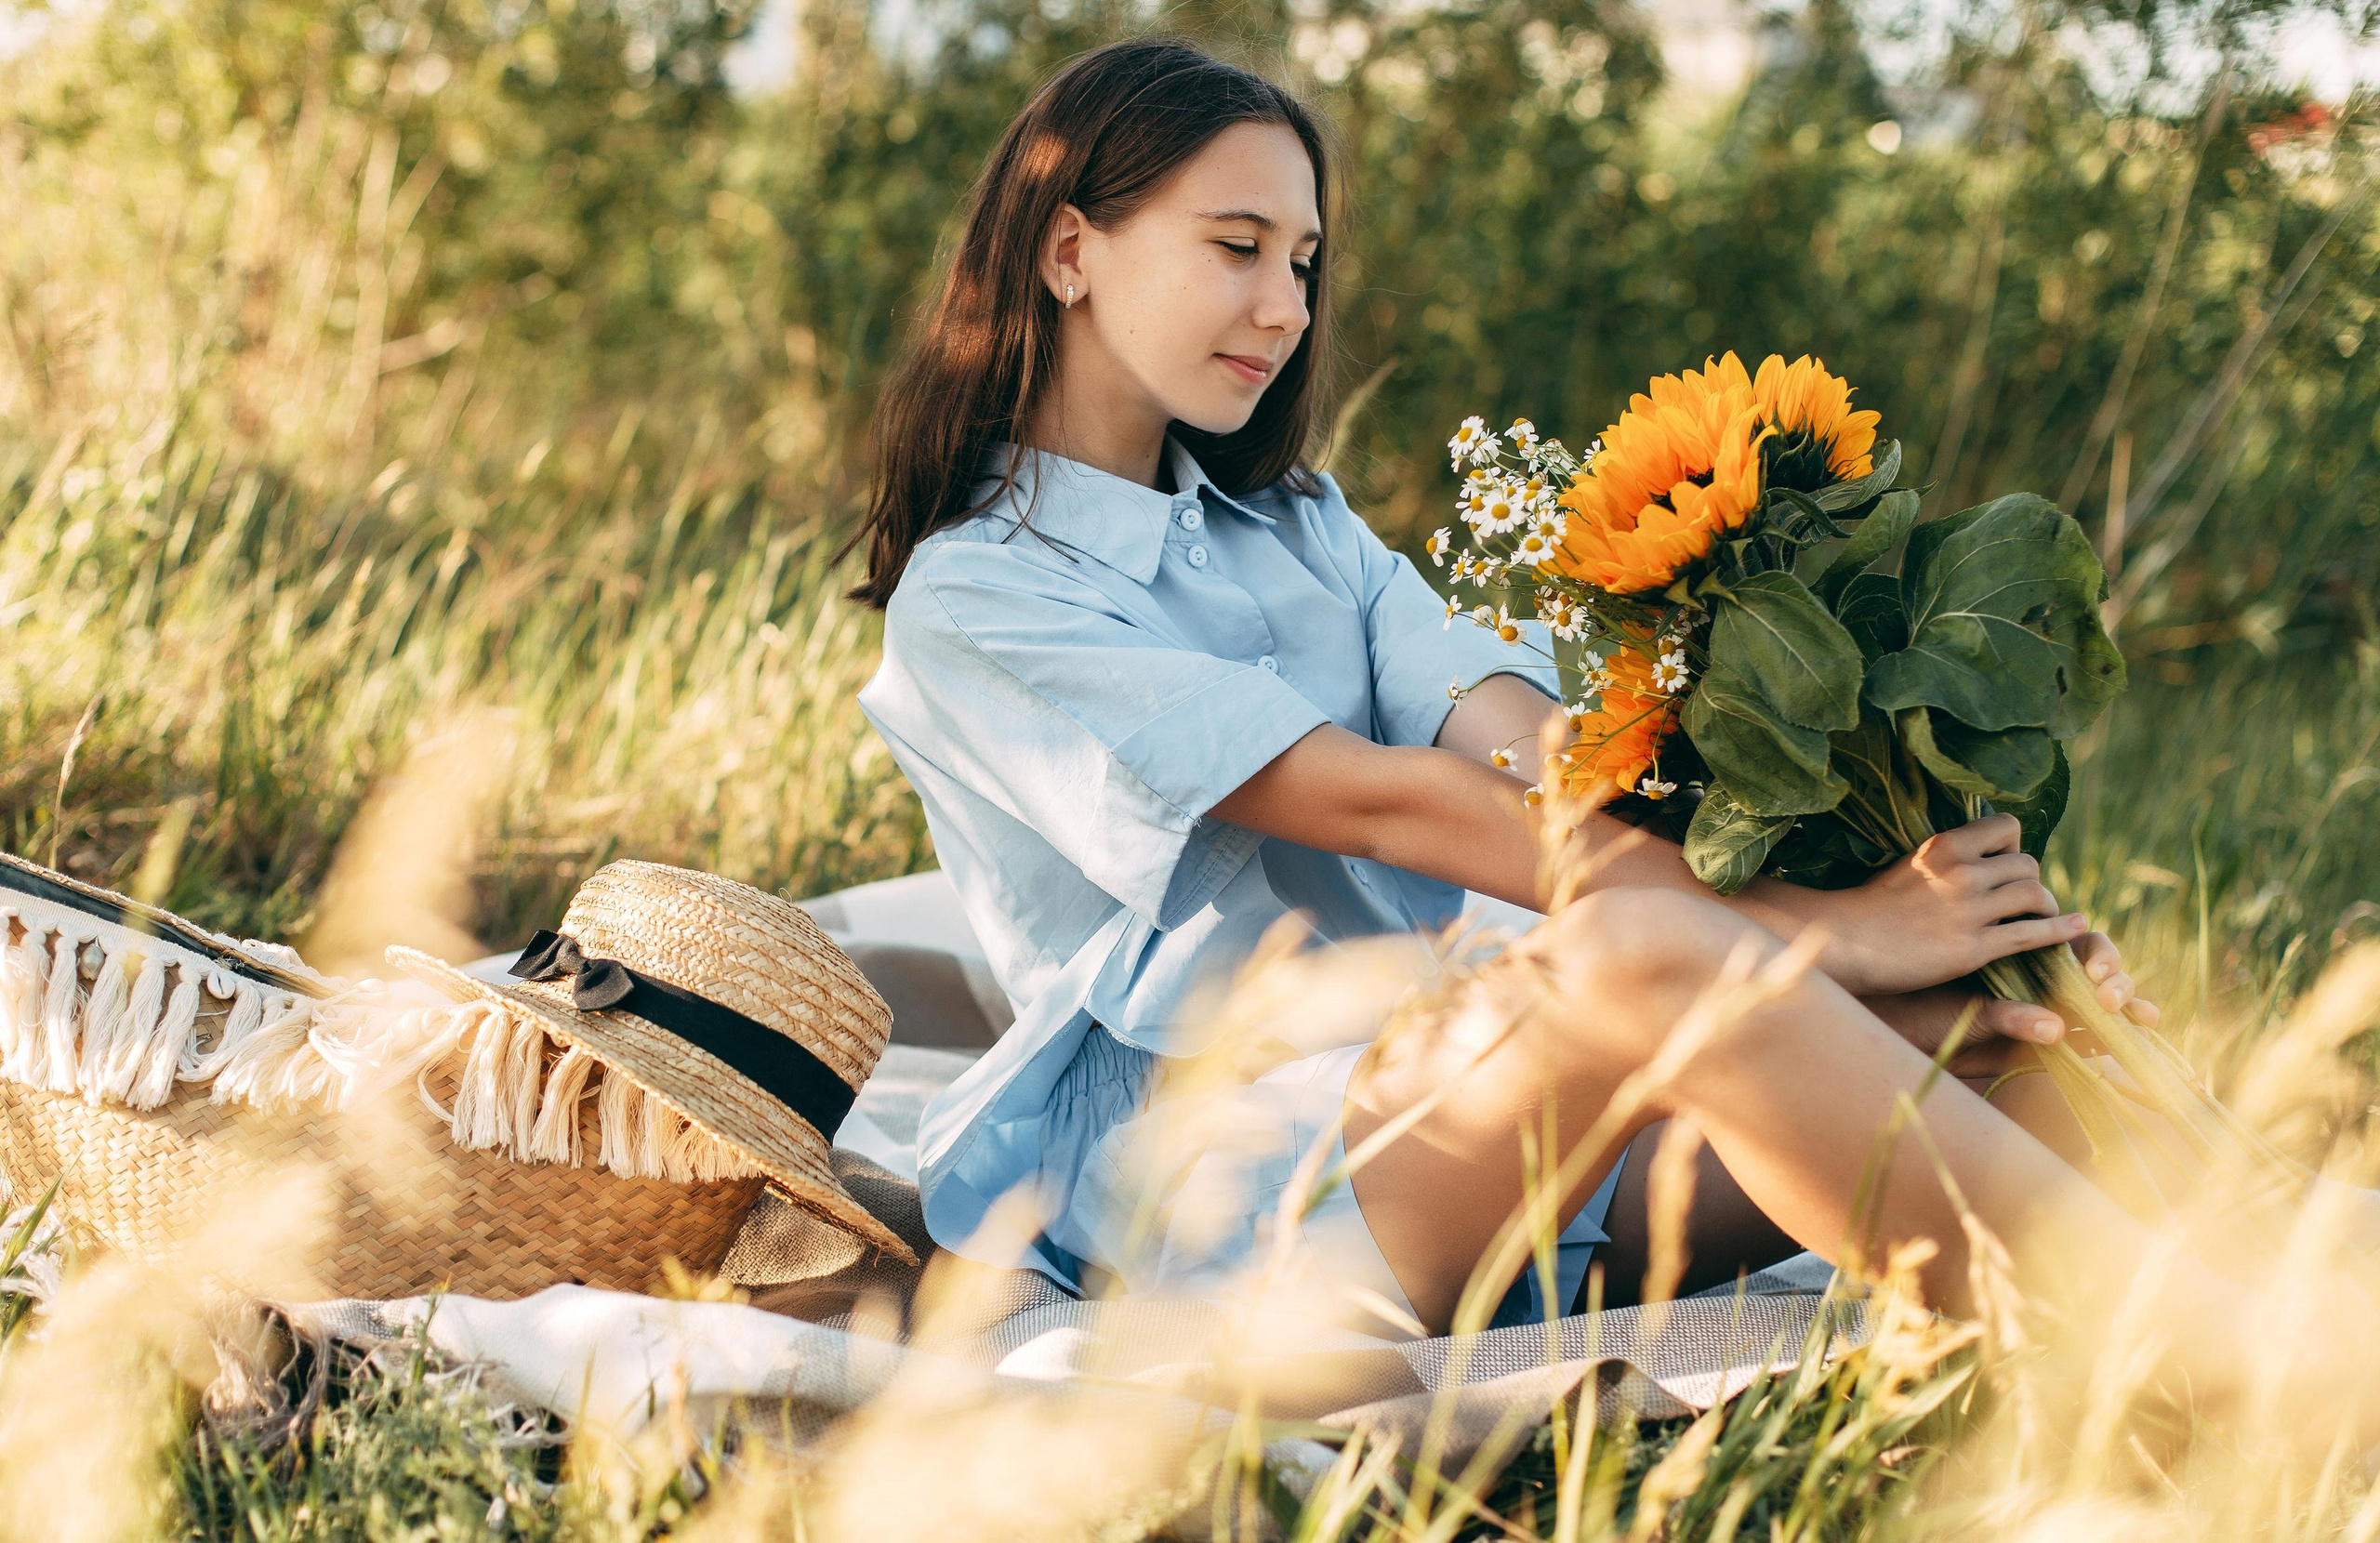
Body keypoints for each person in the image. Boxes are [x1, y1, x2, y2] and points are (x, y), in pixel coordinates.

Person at [843, 37, 2320, 1408]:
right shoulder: (980, 597)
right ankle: (2245, 1368)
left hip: (1498, 1111)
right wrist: (1821, 934)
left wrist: (1898, 905)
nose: (1285, 308)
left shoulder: (1296, 524)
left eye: (1302, 261)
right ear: (1067, 248)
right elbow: (1376, 801)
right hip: (1232, 1182)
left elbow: (1520, 740)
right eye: (1235, 249)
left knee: (1986, 1029)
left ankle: (2269, 1326)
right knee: (1652, 950)